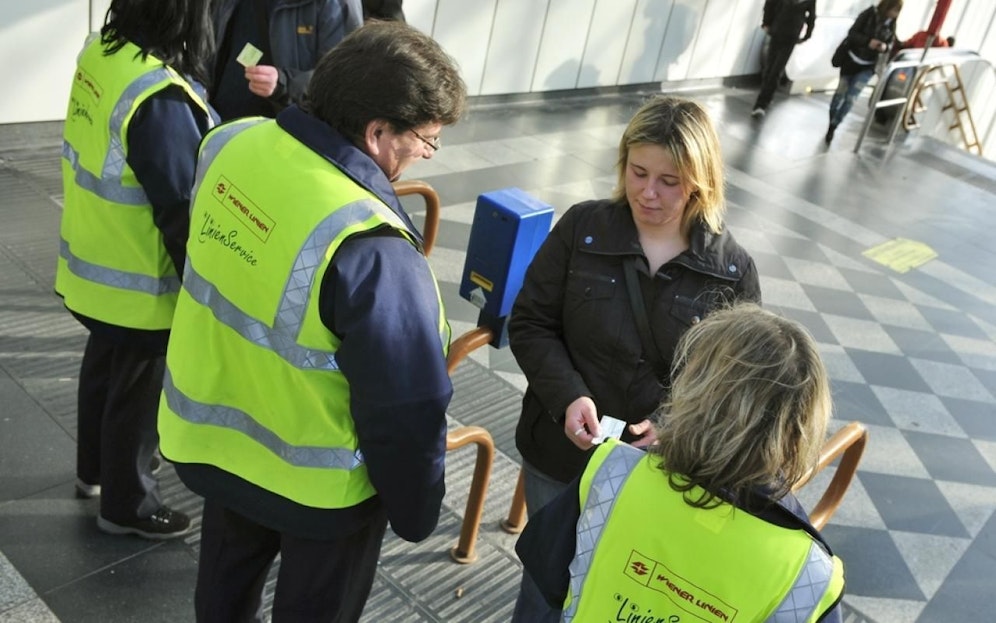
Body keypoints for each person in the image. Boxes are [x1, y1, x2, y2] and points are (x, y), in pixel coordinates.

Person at [157, 20, 466, 621]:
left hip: (215, 442)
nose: (421, 155)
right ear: (378, 132)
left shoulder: (232, 142)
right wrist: (416, 509)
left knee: (221, 598)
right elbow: (405, 409)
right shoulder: (372, 248)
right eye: (425, 141)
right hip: (318, 493)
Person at [508, 94, 761, 621]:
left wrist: (670, 425)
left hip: (656, 472)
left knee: (619, 587)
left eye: (669, 181)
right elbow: (531, 323)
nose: (648, 193)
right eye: (638, 172)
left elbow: (731, 388)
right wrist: (567, 396)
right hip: (560, 451)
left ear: (701, 180)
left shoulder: (731, 272)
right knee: (545, 578)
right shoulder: (584, 229)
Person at [515, 303, 845, 622]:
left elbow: (545, 581)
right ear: (801, 429)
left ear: (694, 392)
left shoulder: (611, 475)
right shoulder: (810, 577)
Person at [55, 0, 216, 539]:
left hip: (95, 262)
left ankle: (94, 472)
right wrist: (202, 291)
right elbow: (180, 209)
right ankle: (130, 506)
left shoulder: (103, 55)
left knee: (104, 364)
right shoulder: (159, 99)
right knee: (138, 393)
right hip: (142, 284)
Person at [210, 0, 362, 121]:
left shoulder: (336, 5)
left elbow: (341, 80)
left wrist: (284, 83)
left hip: (286, 133)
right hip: (220, 124)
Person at [825, 0, 903, 144]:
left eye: (898, 11)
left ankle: (834, 126)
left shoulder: (891, 23)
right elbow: (852, 33)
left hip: (868, 66)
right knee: (839, 96)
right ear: (887, 7)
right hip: (851, 61)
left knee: (851, 98)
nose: (895, 14)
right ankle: (832, 121)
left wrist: (885, 47)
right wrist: (868, 41)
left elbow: (892, 42)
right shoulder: (869, 14)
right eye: (894, 10)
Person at [751, 0, 817, 118]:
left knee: (776, 70)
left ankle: (761, 103)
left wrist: (807, 35)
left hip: (791, 36)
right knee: (769, 69)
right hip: (777, 31)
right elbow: (770, 4)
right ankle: (767, 96)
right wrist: (766, 23)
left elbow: (812, 16)